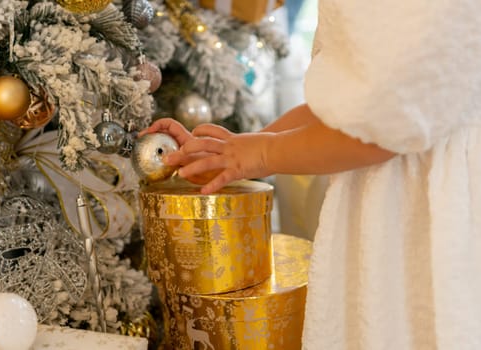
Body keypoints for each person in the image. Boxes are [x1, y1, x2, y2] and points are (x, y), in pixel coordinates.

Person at [140, 0, 481, 348]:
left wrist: (258, 154)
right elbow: (347, 106)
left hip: (421, 209)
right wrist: (240, 151)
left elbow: (388, 120)